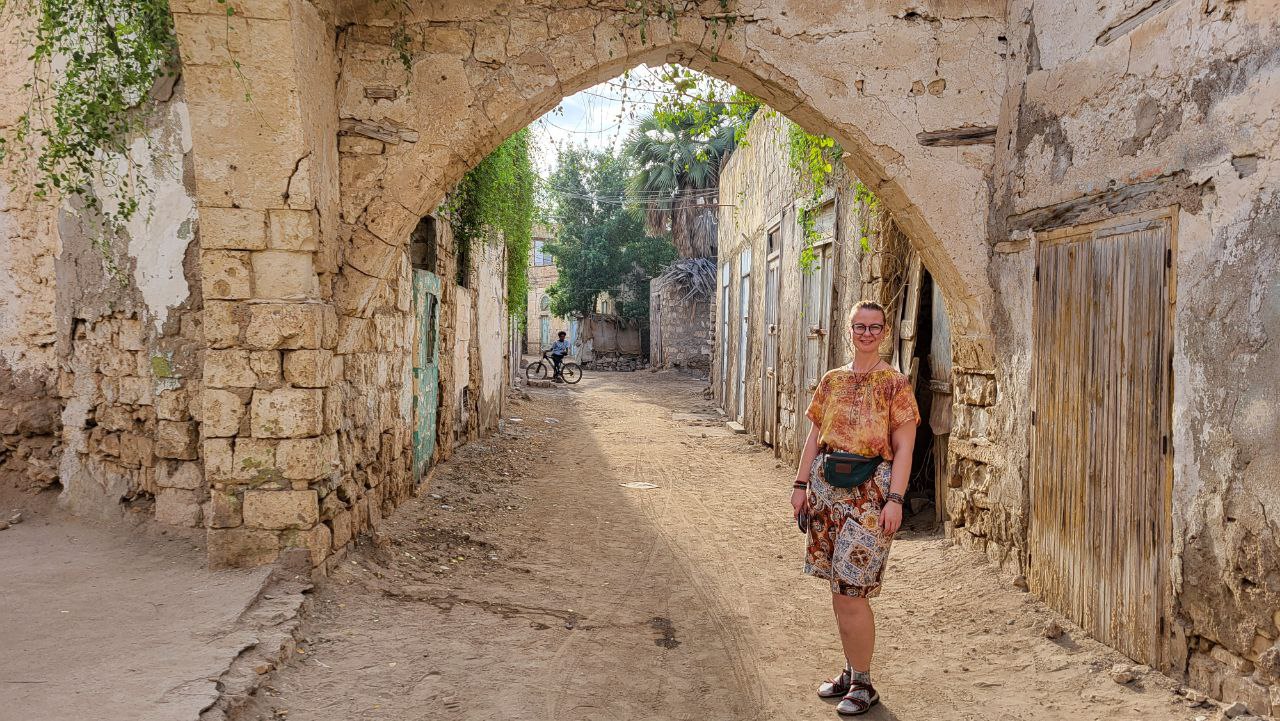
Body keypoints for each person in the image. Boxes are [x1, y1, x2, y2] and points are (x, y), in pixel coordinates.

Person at [790, 300, 920, 716]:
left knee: (853, 591)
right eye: (859, 327)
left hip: (871, 495)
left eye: (874, 327)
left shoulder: (895, 385)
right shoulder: (831, 381)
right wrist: (799, 484)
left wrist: (896, 499)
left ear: (884, 333)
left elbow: (904, 448)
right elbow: (815, 435)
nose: (867, 333)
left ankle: (864, 684)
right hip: (827, 491)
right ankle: (851, 670)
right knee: (837, 587)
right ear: (849, 331)